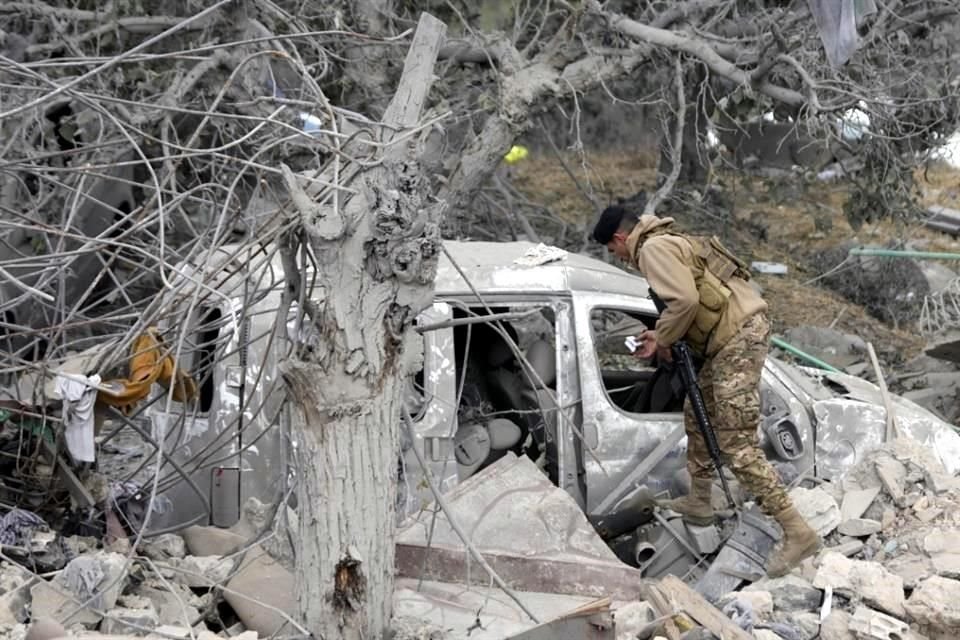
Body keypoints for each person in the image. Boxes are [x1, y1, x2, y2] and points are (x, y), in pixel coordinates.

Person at [591, 205, 822, 577]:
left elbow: (683, 301)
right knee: (696, 416)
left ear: (619, 239)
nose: (617, 257)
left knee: (736, 444)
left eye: (612, 250)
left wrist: (662, 337)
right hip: (729, 339)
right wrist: (660, 334)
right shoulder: (668, 240)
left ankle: (797, 530)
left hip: (736, 340)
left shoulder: (651, 249)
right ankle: (700, 500)